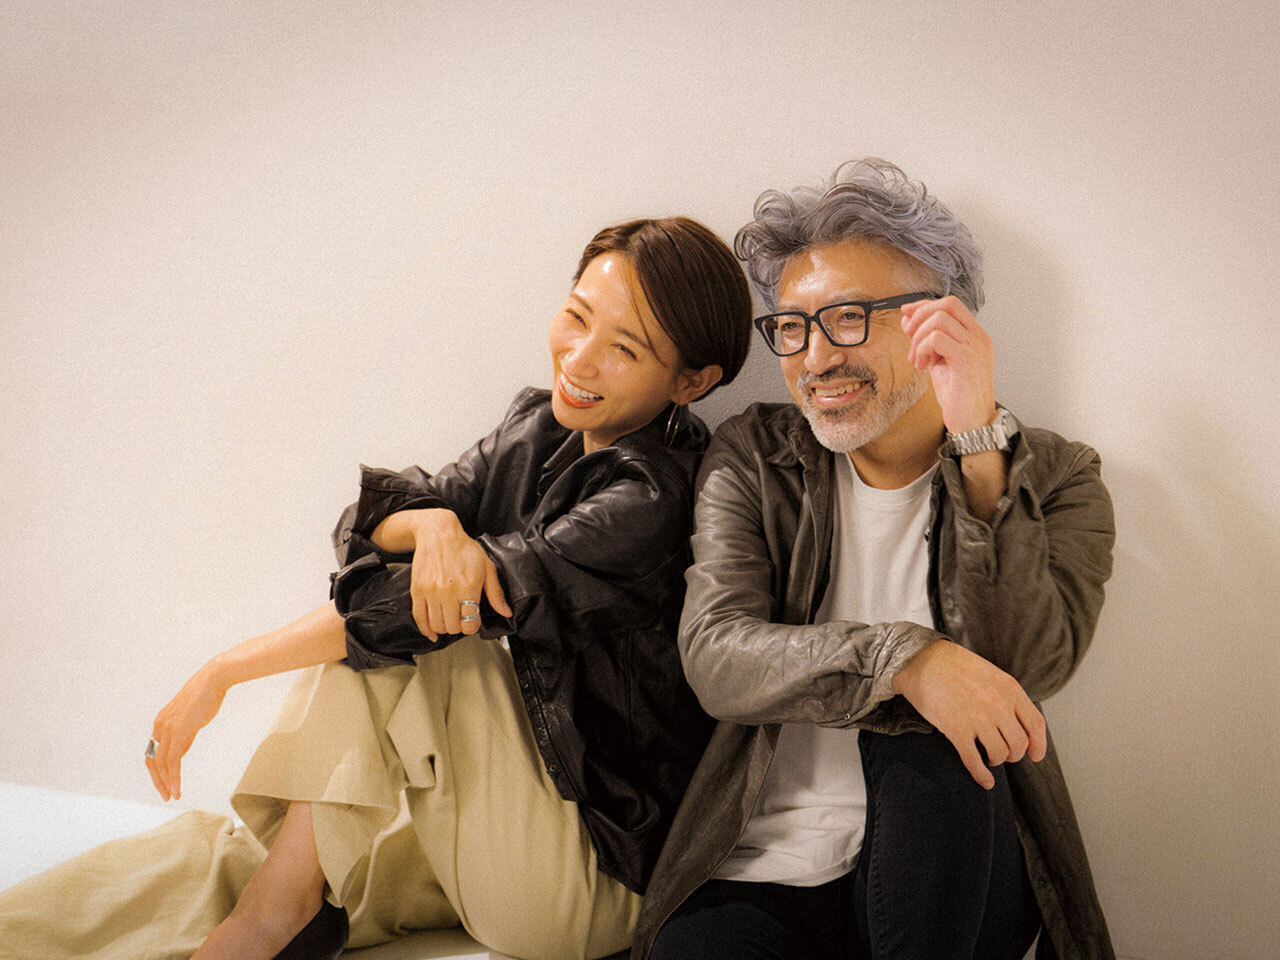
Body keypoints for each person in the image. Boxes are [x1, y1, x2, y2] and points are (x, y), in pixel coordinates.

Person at [0, 216, 752, 960]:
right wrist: (435, 525)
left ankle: (270, 921)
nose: (579, 360)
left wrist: (223, 670)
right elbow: (369, 521)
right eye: (577, 317)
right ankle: (279, 904)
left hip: (589, 884)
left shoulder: (652, 498)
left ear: (692, 381)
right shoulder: (538, 427)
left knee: (429, 631)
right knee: (230, 865)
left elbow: (417, 614)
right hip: (507, 821)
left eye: (623, 348)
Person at [637, 160, 1117, 960]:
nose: (816, 358)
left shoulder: (1061, 477)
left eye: (849, 318)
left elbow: (1028, 666)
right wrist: (907, 660)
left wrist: (979, 447)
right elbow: (717, 657)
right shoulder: (753, 457)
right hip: (761, 867)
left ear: (941, 320)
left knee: (942, 729)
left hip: (954, 858)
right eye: (793, 327)